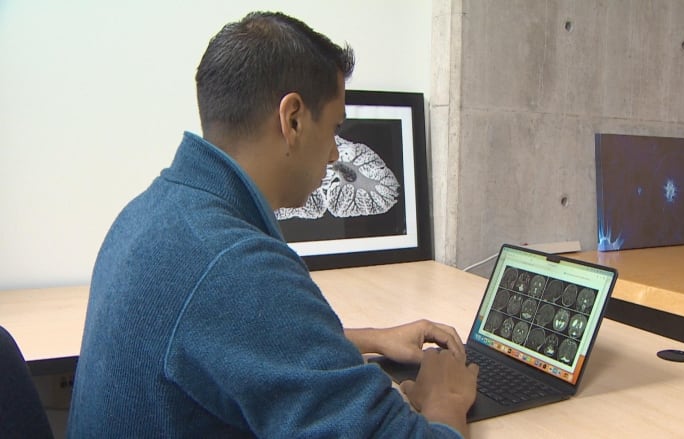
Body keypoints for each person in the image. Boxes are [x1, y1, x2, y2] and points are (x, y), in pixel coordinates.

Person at [67, 11, 478, 438]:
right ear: (293, 119)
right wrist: (444, 400)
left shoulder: (153, 212)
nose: (335, 153)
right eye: (335, 128)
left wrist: (370, 338)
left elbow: (231, 340)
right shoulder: (235, 265)